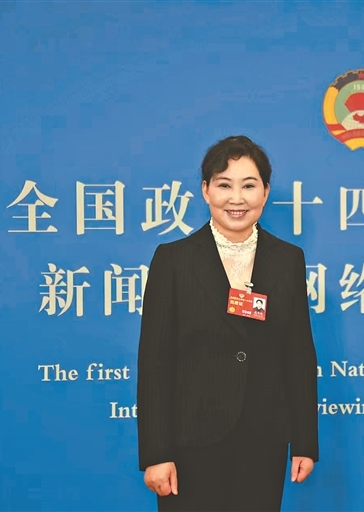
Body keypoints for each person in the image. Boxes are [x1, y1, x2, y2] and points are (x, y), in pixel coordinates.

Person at [136, 136, 319, 511]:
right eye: (224, 185)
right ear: (206, 190)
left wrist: (305, 443)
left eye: (249, 186)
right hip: (190, 440)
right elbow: (155, 362)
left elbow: (298, 354)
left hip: (263, 437)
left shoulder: (288, 260)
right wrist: (156, 453)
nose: (237, 199)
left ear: (265, 192)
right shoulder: (174, 260)